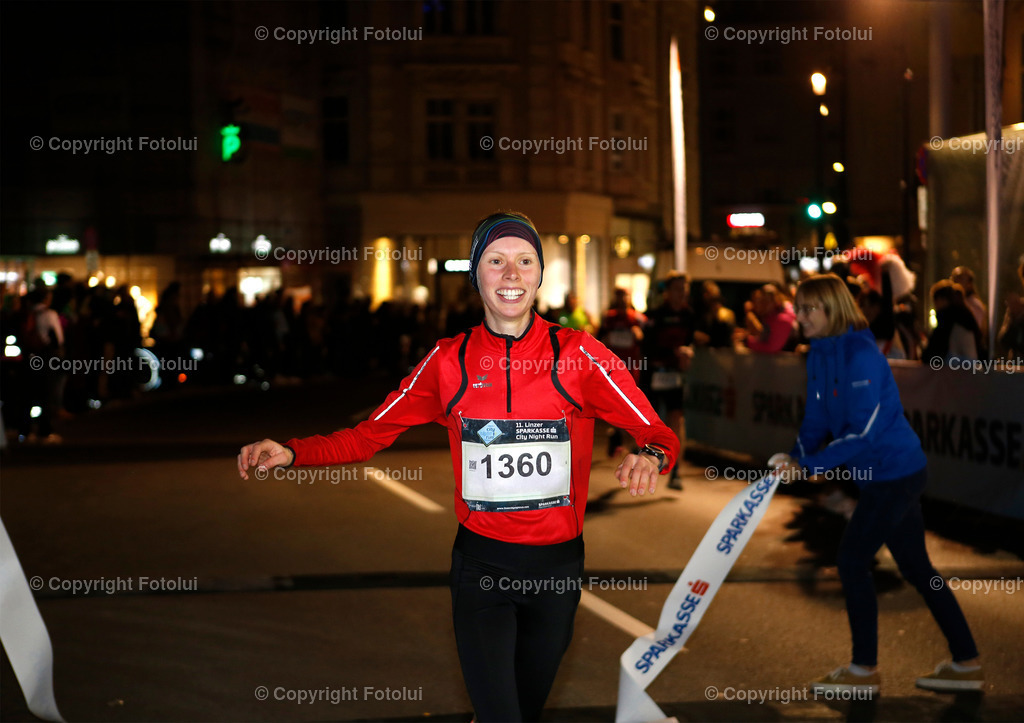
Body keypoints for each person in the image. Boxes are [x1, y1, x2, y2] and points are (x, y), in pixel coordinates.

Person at [237, 211, 679, 722]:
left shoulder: (579, 355)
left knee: (523, 712)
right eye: (496, 261)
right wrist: (294, 451)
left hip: (557, 572)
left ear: (539, 274)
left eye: (524, 261)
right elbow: (368, 434)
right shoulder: (448, 362)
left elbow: (657, 431)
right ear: (476, 274)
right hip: (482, 569)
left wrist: (652, 456)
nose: (511, 274)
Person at [769, 274, 982, 696]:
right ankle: (967, 662)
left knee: (851, 562)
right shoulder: (818, 354)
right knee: (918, 569)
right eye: (799, 306)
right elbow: (816, 419)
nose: (800, 315)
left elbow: (862, 431)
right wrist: (795, 454)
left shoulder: (861, 354)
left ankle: (864, 672)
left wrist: (810, 465)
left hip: (895, 474)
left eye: (809, 308)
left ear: (833, 310)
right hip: (881, 475)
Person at [642, 271, 696, 489]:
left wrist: (688, 352)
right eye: (676, 288)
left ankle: (676, 471)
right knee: (651, 424)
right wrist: (670, 353)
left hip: (674, 376)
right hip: (654, 375)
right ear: (667, 292)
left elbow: (690, 342)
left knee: (677, 421)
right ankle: (647, 466)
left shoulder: (689, 315)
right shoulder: (654, 315)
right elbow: (647, 347)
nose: (680, 293)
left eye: (684, 289)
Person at [922, 280, 981, 364]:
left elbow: (936, 347)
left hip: (955, 365)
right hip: (970, 364)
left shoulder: (946, 317)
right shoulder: (965, 315)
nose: (935, 306)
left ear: (942, 299)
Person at [743, 283, 797, 353]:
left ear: (776, 300)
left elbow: (771, 349)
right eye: (761, 301)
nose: (763, 305)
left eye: (766, 301)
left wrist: (747, 341)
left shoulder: (784, 319)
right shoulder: (771, 316)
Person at [950, 266, 988, 357]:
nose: (956, 282)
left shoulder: (975, 306)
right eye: (954, 279)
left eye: (960, 279)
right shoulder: (952, 305)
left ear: (969, 284)